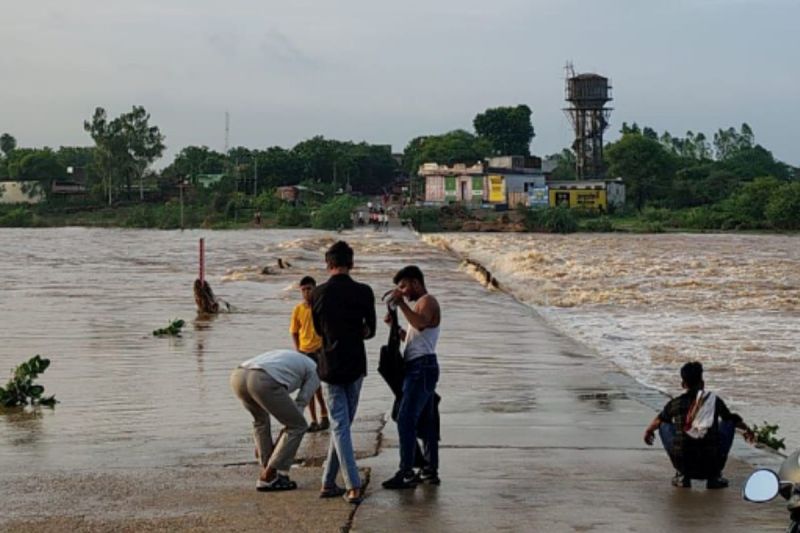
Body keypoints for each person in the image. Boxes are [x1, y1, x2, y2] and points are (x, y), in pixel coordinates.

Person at [311, 241, 376, 504]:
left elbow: (317, 331)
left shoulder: (317, 293)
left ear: (328, 265)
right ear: (352, 264)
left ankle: (328, 482)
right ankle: (353, 485)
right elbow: (370, 330)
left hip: (329, 365)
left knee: (341, 426)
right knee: (342, 425)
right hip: (355, 364)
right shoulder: (364, 292)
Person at [643, 361, 755, 489]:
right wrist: (747, 430)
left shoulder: (675, 403)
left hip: (684, 464)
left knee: (664, 424)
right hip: (712, 464)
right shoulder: (713, 401)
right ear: (702, 383)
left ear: (683, 384)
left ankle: (682, 476)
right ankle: (714, 477)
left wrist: (648, 431)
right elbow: (732, 419)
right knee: (728, 422)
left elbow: (659, 419)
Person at [382, 265, 441, 490]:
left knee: (405, 418)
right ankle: (429, 469)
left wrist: (402, 305)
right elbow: (415, 337)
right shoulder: (419, 306)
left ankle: (406, 471)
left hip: (422, 368)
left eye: (404, 286)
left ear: (416, 283)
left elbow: (421, 323)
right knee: (426, 420)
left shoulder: (427, 301)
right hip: (420, 365)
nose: (402, 291)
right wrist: (395, 328)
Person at [230, 349, 319, 491]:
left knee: (260, 421)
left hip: (239, 375)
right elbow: (301, 403)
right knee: (298, 426)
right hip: (262, 379)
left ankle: (267, 469)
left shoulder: (291, 356)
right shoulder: (315, 369)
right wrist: (284, 436)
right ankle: (269, 475)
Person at [290, 276, 329, 432]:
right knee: (308, 388)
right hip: (305, 351)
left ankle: (324, 415)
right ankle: (313, 419)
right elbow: (294, 331)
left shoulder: (320, 307)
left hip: (319, 350)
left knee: (316, 386)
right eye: (304, 290)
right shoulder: (298, 309)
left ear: (315, 289)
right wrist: (298, 349)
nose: (306, 292)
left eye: (309, 289)